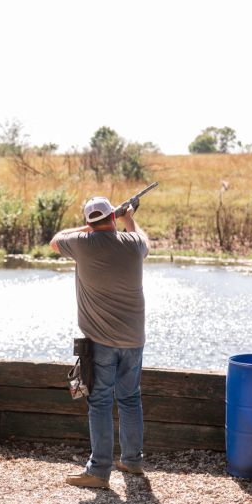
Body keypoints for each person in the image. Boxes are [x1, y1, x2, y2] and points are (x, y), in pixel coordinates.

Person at [50, 195, 149, 489]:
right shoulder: (133, 244)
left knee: (100, 402)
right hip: (134, 339)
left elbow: (56, 241)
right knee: (130, 398)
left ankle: (99, 471)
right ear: (113, 218)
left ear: (88, 222)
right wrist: (128, 217)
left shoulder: (81, 242)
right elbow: (142, 237)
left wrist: (86, 229)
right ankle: (132, 460)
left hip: (100, 342)